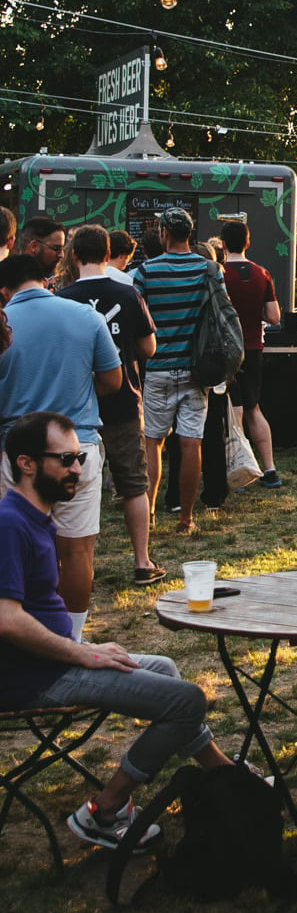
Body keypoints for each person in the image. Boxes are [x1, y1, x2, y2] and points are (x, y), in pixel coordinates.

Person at [0, 411, 240, 849]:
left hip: (51, 663)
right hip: (31, 679)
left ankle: (223, 773)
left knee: (165, 667)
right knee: (187, 700)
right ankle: (103, 810)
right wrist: (82, 653)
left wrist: (81, 649)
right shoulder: (10, 522)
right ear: (26, 463)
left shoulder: (35, 516)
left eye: (79, 458)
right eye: (66, 459)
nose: (77, 468)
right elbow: (7, 618)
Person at [0, 254, 122, 633]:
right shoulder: (87, 317)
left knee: (17, 545)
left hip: (15, 453)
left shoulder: (5, 322)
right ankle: (72, 638)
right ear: (47, 280)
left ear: (4, 291)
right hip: (77, 447)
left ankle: (31, 635)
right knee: (77, 549)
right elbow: (113, 380)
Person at [58, 225, 165, 585]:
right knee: (133, 483)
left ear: (74, 255)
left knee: (68, 484)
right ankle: (142, 561)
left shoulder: (62, 297)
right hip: (122, 401)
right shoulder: (128, 293)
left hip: (75, 404)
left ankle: (66, 559)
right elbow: (150, 348)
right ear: (110, 254)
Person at [131, 207, 220, 533]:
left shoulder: (146, 271)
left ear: (165, 234)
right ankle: (186, 518)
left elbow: (137, 317)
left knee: (153, 443)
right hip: (196, 370)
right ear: (190, 234)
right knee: (190, 444)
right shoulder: (209, 269)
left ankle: (150, 512)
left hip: (157, 369)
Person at [218, 219, 282, 489]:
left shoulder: (218, 274)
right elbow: (274, 316)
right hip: (254, 349)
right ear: (248, 242)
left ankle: (241, 470)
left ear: (222, 244)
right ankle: (269, 469)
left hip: (226, 351)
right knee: (254, 409)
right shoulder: (261, 273)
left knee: (234, 412)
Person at [15, 216, 66, 280]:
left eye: (62, 249)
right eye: (56, 248)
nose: (61, 255)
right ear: (34, 246)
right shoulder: (9, 281)